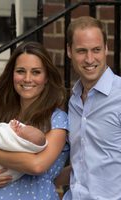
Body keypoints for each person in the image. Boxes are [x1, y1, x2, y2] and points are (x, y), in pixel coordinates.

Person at [0, 41, 69, 200]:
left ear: (46, 78)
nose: (27, 78)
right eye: (20, 71)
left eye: (36, 72)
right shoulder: (3, 115)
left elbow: (37, 165)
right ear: (12, 75)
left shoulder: (57, 119)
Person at [57, 16, 121, 200]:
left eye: (96, 50)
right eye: (81, 51)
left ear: (106, 49)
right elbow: (85, 162)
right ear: (69, 51)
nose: (89, 59)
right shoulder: (74, 101)